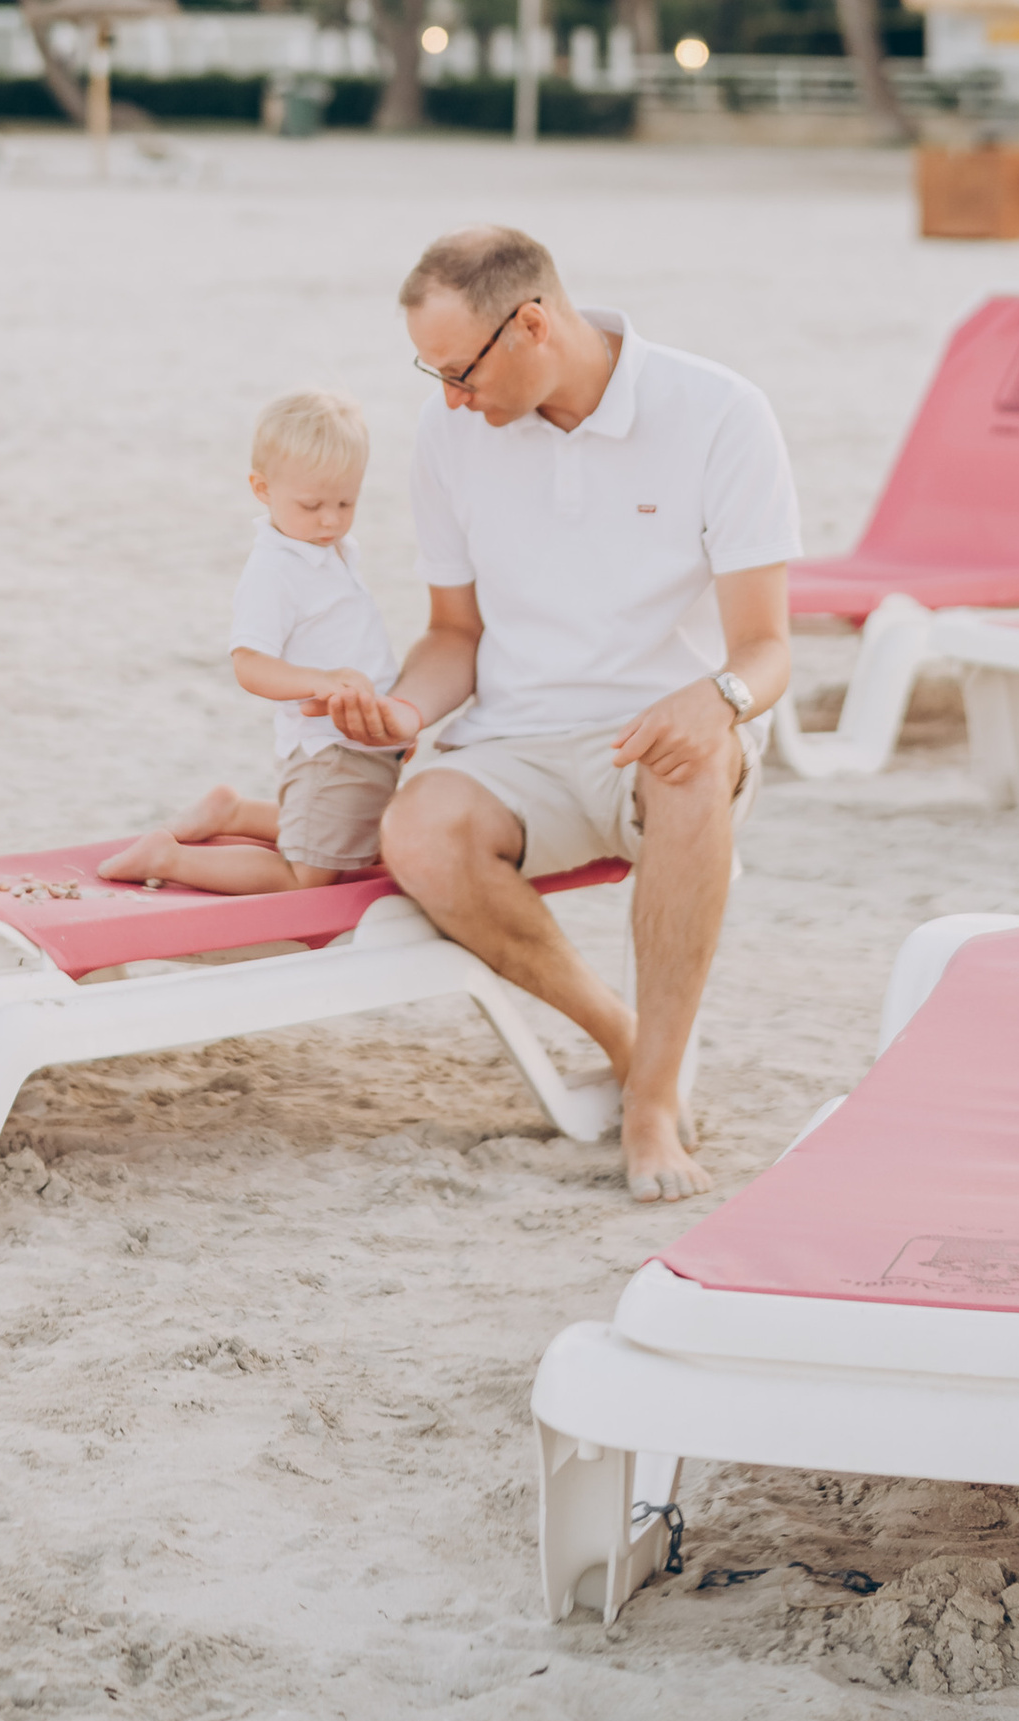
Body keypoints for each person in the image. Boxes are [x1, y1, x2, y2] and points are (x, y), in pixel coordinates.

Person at [330, 224, 796, 1203]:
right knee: (418, 828)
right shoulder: (449, 433)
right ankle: (621, 1039)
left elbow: (765, 652)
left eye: (458, 370)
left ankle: (653, 1104)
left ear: (531, 325)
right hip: (516, 742)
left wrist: (715, 701)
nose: (449, 396)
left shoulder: (718, 413)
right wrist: (406, 708)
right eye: (431, 372)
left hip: (662, 734)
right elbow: (454, 632)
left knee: (690, 763)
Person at [99, 387, 421, 894]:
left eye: (346, 501)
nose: (332, 519)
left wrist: (395, 719)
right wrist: (322, 682)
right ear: (262, 488)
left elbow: (357, 643)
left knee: (359, 847)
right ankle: (171, 859)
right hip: (328, 748)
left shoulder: (330, 549)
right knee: (307, 876)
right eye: (312, 504)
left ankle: (235, 812)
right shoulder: (274, 569)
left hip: (366, 740)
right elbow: (249, 664)